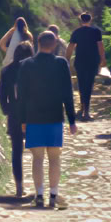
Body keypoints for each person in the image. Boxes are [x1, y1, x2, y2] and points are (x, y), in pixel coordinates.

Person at [16, 30, 77, 208]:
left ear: (38, 43)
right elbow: (68, 93)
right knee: (54, 158)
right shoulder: (61, 63)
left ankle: (39, 195)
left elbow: (21, 95)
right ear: (55, 44)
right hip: (55, 117)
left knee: (37, 158)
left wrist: (22, 120)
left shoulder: (26, 65)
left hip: (33, 118)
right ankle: (53, 194)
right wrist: (72, 120)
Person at [0, 38, 34, 199]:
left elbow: (1, 94)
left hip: (14, 113)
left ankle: (19, 187)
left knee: (16, 150)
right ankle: (39, 187)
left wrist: (6, 109)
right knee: (37, 151)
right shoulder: (34, 70)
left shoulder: (7, 70)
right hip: (32, 114)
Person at [66, 11, 105, 122]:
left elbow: (70, 47)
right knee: (89, 85)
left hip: (80, 62)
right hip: (92, 62)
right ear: (90, 20)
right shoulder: (96, 32)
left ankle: (83, 108)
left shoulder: (76, 32)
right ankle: (86, 112)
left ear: (80, 20)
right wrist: (103, 59)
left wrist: (66, 60)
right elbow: (100, 46)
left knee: (81, 84)